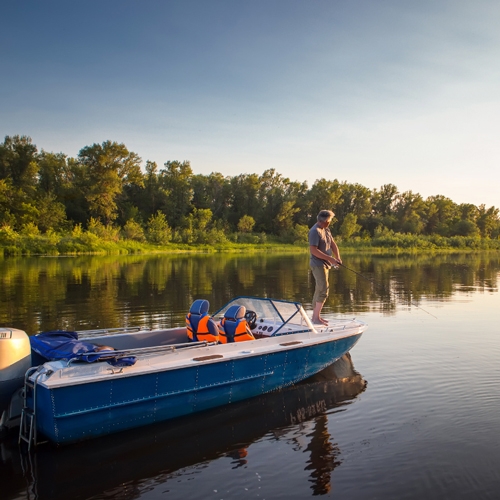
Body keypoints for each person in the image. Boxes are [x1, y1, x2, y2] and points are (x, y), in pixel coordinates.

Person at [309, 210, 342, 325]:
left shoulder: (326, 229)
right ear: (326, 221)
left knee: (319, 289)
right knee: (323, 290)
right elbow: (313, 250)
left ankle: (315, 317)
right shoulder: (314, 231)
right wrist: (330, 259)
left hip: (326, 265)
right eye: (330, 221)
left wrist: (337, 257)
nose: (330, 223)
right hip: (318, 264)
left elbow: (332, 243)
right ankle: (316, 318)